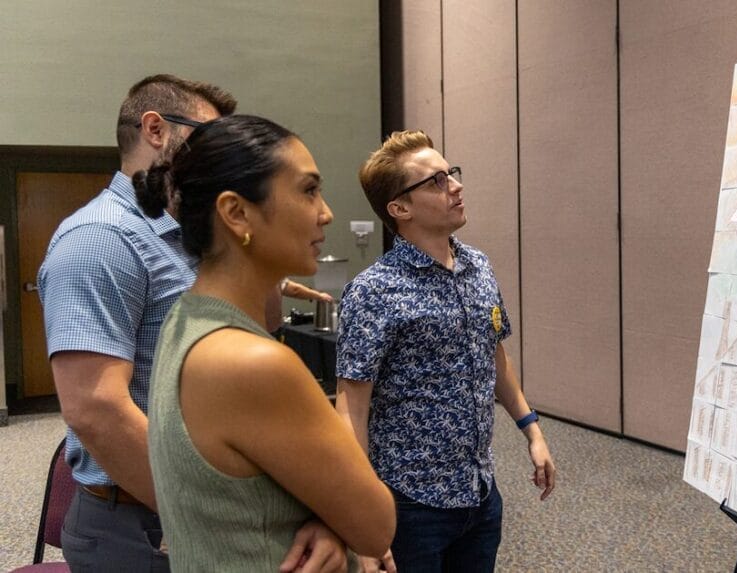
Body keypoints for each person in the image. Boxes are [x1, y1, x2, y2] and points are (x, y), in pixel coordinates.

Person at [37, 75, 340, 572]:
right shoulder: (100, 240)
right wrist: (223, 515)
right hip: (145, 525)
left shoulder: (189, 237)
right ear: (155, 129)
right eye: (206, 137)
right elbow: (97, 410)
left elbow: (259, 337)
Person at [136, 114, 395, 571]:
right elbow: (376, 526)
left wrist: (331, 521)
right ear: (237, 213)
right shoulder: (253, 363)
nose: (326, 212)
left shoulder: (186, 320)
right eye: (308, 190)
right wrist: (344, 521)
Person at [336, 130, 557, 572]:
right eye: (435, 181)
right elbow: (351, 409)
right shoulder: (372, 291)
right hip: (409, 504)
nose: (455, 186)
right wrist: (360, 525)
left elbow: (494, 358)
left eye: (451, 174)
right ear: (399, 208)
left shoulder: (477, 266)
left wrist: (532, 431)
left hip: (479, 493)